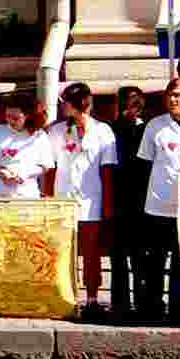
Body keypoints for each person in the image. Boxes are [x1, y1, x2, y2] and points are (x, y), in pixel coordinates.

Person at [45, 82, 117, 317]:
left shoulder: (103, 131)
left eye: (66, 101)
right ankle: (66, 297)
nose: (62, 105)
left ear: (79, 104)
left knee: (91, 254)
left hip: (91, 201)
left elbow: (107, 171)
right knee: (63, 253)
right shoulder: (56, 131)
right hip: (63, 200)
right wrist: (48, 198)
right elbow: (51, 168)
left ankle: (93, 299)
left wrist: (107, 205)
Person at [138, 77, 180, 324]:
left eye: (178, 95)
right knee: (156, 260)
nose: (173, 99)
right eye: (170, 95)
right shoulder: (154, 127)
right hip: (158, 206)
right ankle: (152, 309)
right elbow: (144, 163)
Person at [111, 86, 152, 321]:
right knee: (118, 254)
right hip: (118, 197)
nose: (129, 108)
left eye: (135, 103)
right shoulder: (111, 130)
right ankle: (120, 303)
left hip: (141, 198)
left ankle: (143, 300)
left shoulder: (147, 129)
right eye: (126, 103)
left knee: (139, 255)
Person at [0, 94, 54, 199]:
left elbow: (46, 165)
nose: (10, 121)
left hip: (26, 194)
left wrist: (25, 173)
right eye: (8, 116)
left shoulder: (39, 135)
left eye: (16, 118)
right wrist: (0, 172)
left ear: (27, 115)